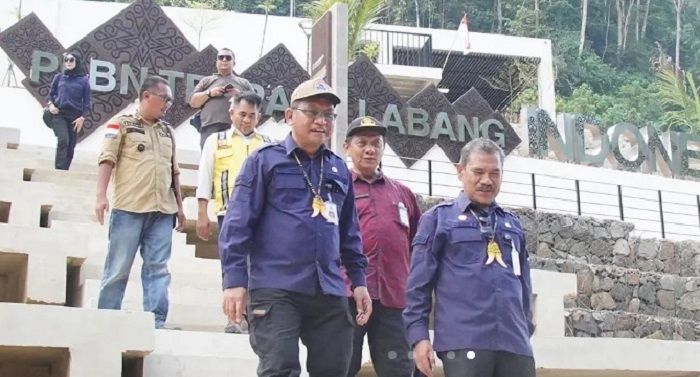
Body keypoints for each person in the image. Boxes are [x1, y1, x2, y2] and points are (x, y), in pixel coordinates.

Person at [219, 78, 373, 376]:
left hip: (328, 287)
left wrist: (359, 281)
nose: (321, 121)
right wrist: (234, 282)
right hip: (276, 287)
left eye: (328, 115)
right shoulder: (264, 161)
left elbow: (349, 233)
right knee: (279, 369)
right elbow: (237, 225)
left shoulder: (339, 168)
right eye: (312, 112)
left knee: (335, 369)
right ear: (290, 116)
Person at [403, 138, 535, 377]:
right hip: (465, 341)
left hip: (515, 344)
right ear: (460, 171)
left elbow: (524, 283)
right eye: (478, 172)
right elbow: (418, 286)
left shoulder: (512, 224)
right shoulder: (438, 219)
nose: (487, 180)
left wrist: (526, 328)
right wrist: (419, 336)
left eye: (495, 173)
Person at [94, 75, 186, 329]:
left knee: (158, 268)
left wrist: (179, 206)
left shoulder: (167, 131)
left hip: (162, 211)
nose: (167, 104)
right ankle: (106, 318)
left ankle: (155, 321)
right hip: (129, 209)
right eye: (164, 98)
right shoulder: (120, 125)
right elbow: (107, 159)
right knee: (118, 267)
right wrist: (101, 196)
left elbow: (174, 171)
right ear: (147, 96)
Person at [342, 116, 420, 377]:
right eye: (362, 143)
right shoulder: (337, 189)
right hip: (347, 296)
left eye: (376, 143)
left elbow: (416, 245)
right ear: (347, 147)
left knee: (399, 370)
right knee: (338, 367)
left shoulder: (403, 194)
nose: (369, 149)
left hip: (393, 301)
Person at [195, 91, 269, 333]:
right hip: (229, 214)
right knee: (232, 267)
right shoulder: (215, 141)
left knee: (257, 268)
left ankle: (253, 317)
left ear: (259, 116)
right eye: (242, 114)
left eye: (252, 115)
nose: (246, 120)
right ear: (231, 113)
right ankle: (234, 319)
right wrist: (202, 213)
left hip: (262, 218)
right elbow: (205, 178)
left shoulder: (267, 144)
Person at [188, 48, 254, 149]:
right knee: (209, 162)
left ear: (234, 63)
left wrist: (239, 95)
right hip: (209, 129)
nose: (224, 60)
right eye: (221, 57)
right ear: (216, 62)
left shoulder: (243, 83)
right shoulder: (206, 81)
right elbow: (193, 102)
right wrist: (209, 93)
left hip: (236, 130)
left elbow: (255, 105)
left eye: (228, 58)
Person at [47, 51, 91, 170]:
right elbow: (50, 95)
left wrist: (82, 117)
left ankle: (64, 171)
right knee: (63, 141)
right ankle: (59, 170)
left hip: (75, 117)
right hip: (59, 114)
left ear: (77, 61)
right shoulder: (59, 77)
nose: (68, 62)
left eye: (71, 60)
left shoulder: (84, 80)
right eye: (66, 60)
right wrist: (51, 105)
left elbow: (87, 102)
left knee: (71, 146)